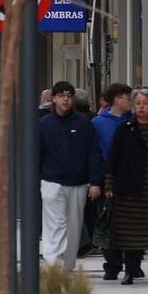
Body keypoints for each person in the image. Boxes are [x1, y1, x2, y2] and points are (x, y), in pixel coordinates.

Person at [104, 87, 148, 286]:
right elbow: (113, 158)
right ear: (133, 107)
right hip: (128, 190)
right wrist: (109, 183)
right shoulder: (124, 129)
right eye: (138, 104)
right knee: (129, 233)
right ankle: (130, 272)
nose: (141, 107)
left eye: (145, 104)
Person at [35, 82, 101, 269]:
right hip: (51, 181)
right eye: (61, 95)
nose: (65, 99)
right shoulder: (43, 125)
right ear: (53, 98)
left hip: (78, 183)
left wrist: (96, 181)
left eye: (69, 95)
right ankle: (53, 264)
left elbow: (93, 152)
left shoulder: (83, 124)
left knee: (74, 227)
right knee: (55, 224)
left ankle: (67, 267)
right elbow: (36, 155)